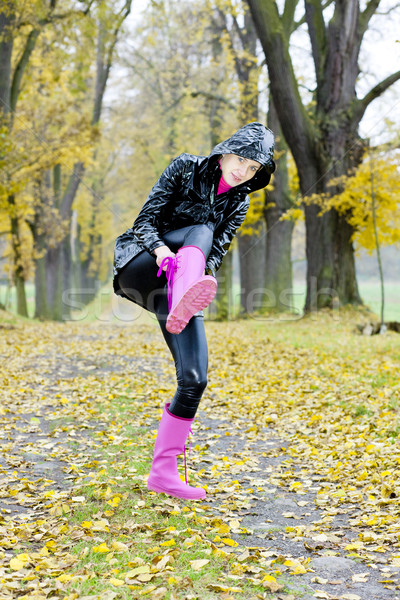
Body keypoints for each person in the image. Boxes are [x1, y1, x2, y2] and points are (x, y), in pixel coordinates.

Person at [113, 121, 275, 501]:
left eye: (253, 168)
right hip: (142, 264)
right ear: (226, 152)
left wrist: (199, 273)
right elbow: (143, 222)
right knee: (202, 227)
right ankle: (187, 288)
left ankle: (164, 474)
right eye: (241, 160)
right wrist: (161, 251)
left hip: (179, 287)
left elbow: (216, 253)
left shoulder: (240, 200)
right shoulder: (186, 166)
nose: (243, 171)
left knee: (194, 377)